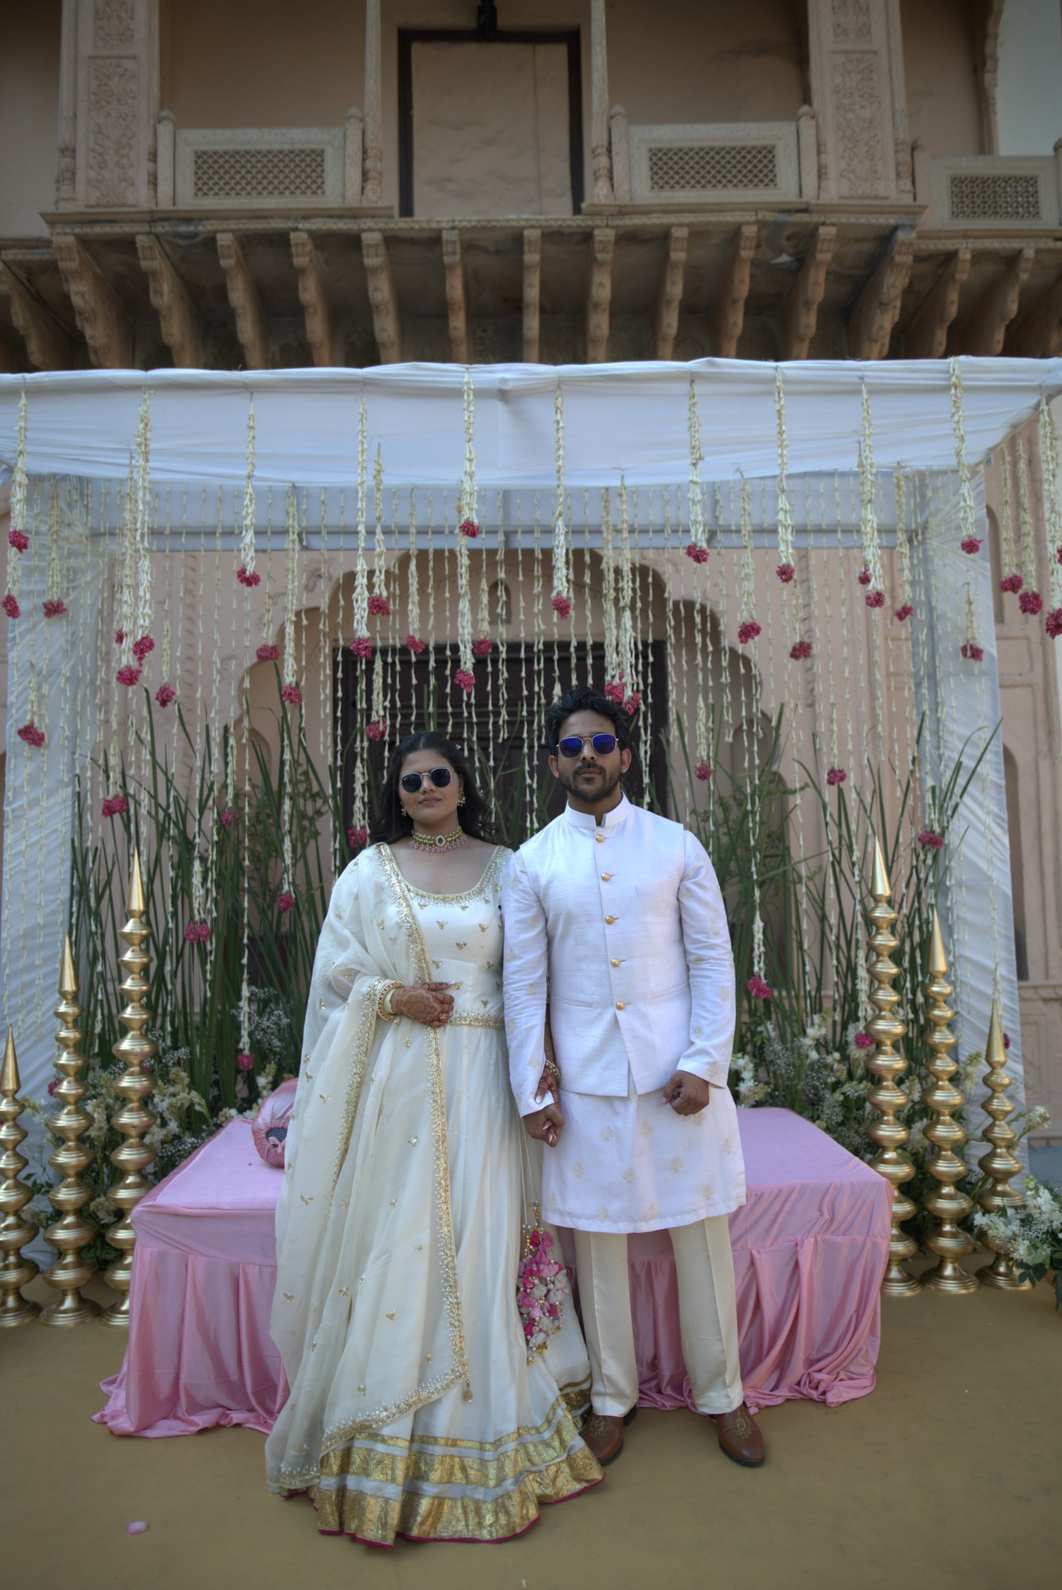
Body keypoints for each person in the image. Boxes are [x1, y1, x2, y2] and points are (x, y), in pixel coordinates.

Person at [265, 730, 602, 1545]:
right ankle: (383, 1433)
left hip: (487, 1076)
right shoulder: (368, 871)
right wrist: (390, 996)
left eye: (438, 775)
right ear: (399, 791)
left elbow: (533, 975)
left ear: (461, 782)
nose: (424, 788)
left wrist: (542, 1060)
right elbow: (336, 974)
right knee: (402, 1232)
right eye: (410, 780)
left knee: (481, 1231)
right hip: (405, 1079)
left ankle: (490, 1416)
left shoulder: (507, 866)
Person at [501, 684, 765, 1470]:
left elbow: (713, 959)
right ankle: (612, 1399)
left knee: (701, 1236)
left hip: (675, 1078)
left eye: (600, 743)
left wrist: (703, 1063)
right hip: (585, 1084)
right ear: (554, 763)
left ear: (624, 752)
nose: (588, 758)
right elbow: (524, 986)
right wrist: (532, 1090)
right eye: (572, 747)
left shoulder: (676, 844)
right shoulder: (532, 862)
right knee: (600, 1247)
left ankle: (725, 1396)